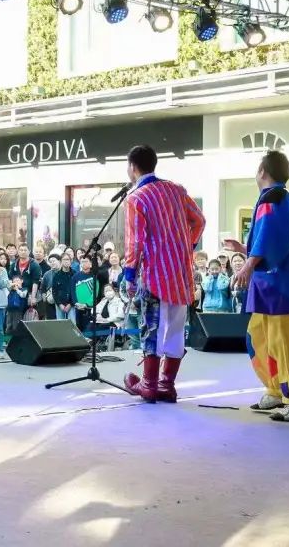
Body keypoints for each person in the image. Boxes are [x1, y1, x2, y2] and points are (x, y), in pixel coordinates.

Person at [229, 150, 289, 423]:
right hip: (272, 288)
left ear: (263, 172)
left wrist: (248, 264)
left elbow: (272, 238)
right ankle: (277, 389)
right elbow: (272, 239)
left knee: (284, 345)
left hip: (281, 289)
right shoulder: (281, 199)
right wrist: (245, 250)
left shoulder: (274, 198)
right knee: (260, 338)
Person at [121, 144, 206, 404]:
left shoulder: (136, 198)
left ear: (132, 168)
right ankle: (167, 385)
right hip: (180, 273)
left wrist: (129, 274)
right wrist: (187, 246)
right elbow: (199, 221)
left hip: (155, 275)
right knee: (176, 328)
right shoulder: (177, 190)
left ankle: (149, 384)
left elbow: (136, 242)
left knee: (152, 327)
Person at [42, 252, 76, 322]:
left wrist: (70, 304)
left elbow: (76, 290)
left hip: (71, 304)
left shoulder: (75, 274)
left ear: (70, 261)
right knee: (60, 324)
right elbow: (54, 292)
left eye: (68, 259)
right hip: (59, 304)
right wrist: (59, 304)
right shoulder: (57, 275)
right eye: (64, 259)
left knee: (72, 324)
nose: (66, 261)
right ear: (61, 261)